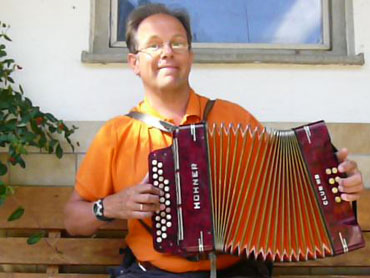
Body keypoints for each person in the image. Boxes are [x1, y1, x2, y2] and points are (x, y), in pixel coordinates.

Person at [64, 3, 365, 278]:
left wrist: (339, 186)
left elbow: (286, 187)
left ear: (190, 56)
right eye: (153, 46)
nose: (167, 52)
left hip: (239, 270)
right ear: (134, 63)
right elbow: (72, 221)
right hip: (153, 273)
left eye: (177, 43)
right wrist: (109, 207)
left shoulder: (233, 118)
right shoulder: (118, 134)